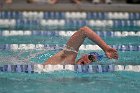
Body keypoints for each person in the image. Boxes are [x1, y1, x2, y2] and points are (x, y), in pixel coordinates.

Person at [43, 26, 118, 65]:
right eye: (90, 57)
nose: (88, 61)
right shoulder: (68, 57)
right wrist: (106, 48)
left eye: (91, 61)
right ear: (84, 56)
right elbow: (84, 30)